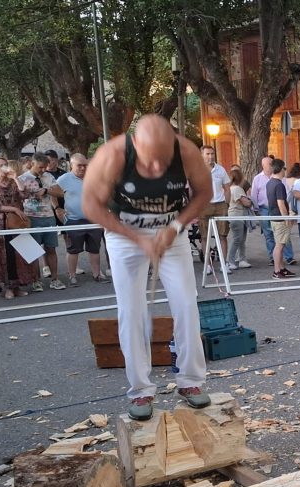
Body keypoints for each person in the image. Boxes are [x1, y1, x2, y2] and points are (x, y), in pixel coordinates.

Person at [81, 115, 213, 421]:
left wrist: (177, 224)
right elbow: (90, 205)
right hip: (124, 234)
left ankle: (191, 381)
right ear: (135, 144)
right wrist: (136, 239)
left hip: (171, 230)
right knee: (132, 310)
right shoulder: (112, 155)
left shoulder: (187, 151)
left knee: (186, 302)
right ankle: (140, 389)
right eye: (150, 161)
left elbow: (204, 192)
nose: (156, 169)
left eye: (163, 160)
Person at [0, 155, 35, 298]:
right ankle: (7, 287)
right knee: (5, 254)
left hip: (17, 222)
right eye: (0, 165)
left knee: (18, 253)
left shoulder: (13, 182)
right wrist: (13, 209)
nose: (4, 167)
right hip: (1, 223)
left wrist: (15, 178)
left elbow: (24, 195)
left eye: (5, 164)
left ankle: (17, 286)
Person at [56, 153, 108, 285]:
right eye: (79, 166)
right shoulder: (64, 179)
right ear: (71, 165)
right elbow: (52, 192)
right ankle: (72, 275)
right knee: (73, 249)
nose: (83, 168)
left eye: (85, 165)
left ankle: (97, 274)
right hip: (73, 220)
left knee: (95, 249)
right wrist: (57, 208)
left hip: (94, 219)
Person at [17, 153, 66, 290]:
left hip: (48, 216)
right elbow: (18, 197)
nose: (43, 170)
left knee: (51, 248)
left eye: (45, 167)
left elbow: (61, 193)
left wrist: (46, 190)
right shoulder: (22, 178)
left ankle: (55, 279)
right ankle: (35, 280)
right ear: (32, 163)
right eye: (40, 167)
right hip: (31, 217)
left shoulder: (48, 176)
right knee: (33, 251)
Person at [251, 156, 294, 267]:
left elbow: (288, 194)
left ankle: (286, 259)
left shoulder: (272, 182)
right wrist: (287, 217)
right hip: (270, 211)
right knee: (276, 239)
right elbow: (280, 203)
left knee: (282, 239)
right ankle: (277, 267)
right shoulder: (275, 183)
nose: (271, 166)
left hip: (274, 212)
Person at [200, 145, 231, 274]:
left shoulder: (220, 170)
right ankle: (207, 265)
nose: (210, 156)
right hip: (204, 205)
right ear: (201, 155)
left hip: (220, 205)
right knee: (204, 236)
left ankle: (224, 263)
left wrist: (226, 204)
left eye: (212, 154)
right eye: (207, 154)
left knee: (222, 235)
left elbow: (227, 188)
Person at [266, 159, 296, 279]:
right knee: (280, 245)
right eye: (284, 168)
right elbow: (281, 203)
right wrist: (286, 218)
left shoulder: (269, 183)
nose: (285, 171)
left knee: (280, 244)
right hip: (279, 218)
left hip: (273, 217)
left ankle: (282, 268)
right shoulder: (279, 185)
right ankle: (277, 270)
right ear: (280, 169)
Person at [226, 167, 253, 269]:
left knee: (240, 239)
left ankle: (242, 259)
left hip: (235, 216)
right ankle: (231, 260)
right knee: (237, 239)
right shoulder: (237, 189)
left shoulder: (230, 188)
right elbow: (246, 203)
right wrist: (250, 201)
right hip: (237, 216)